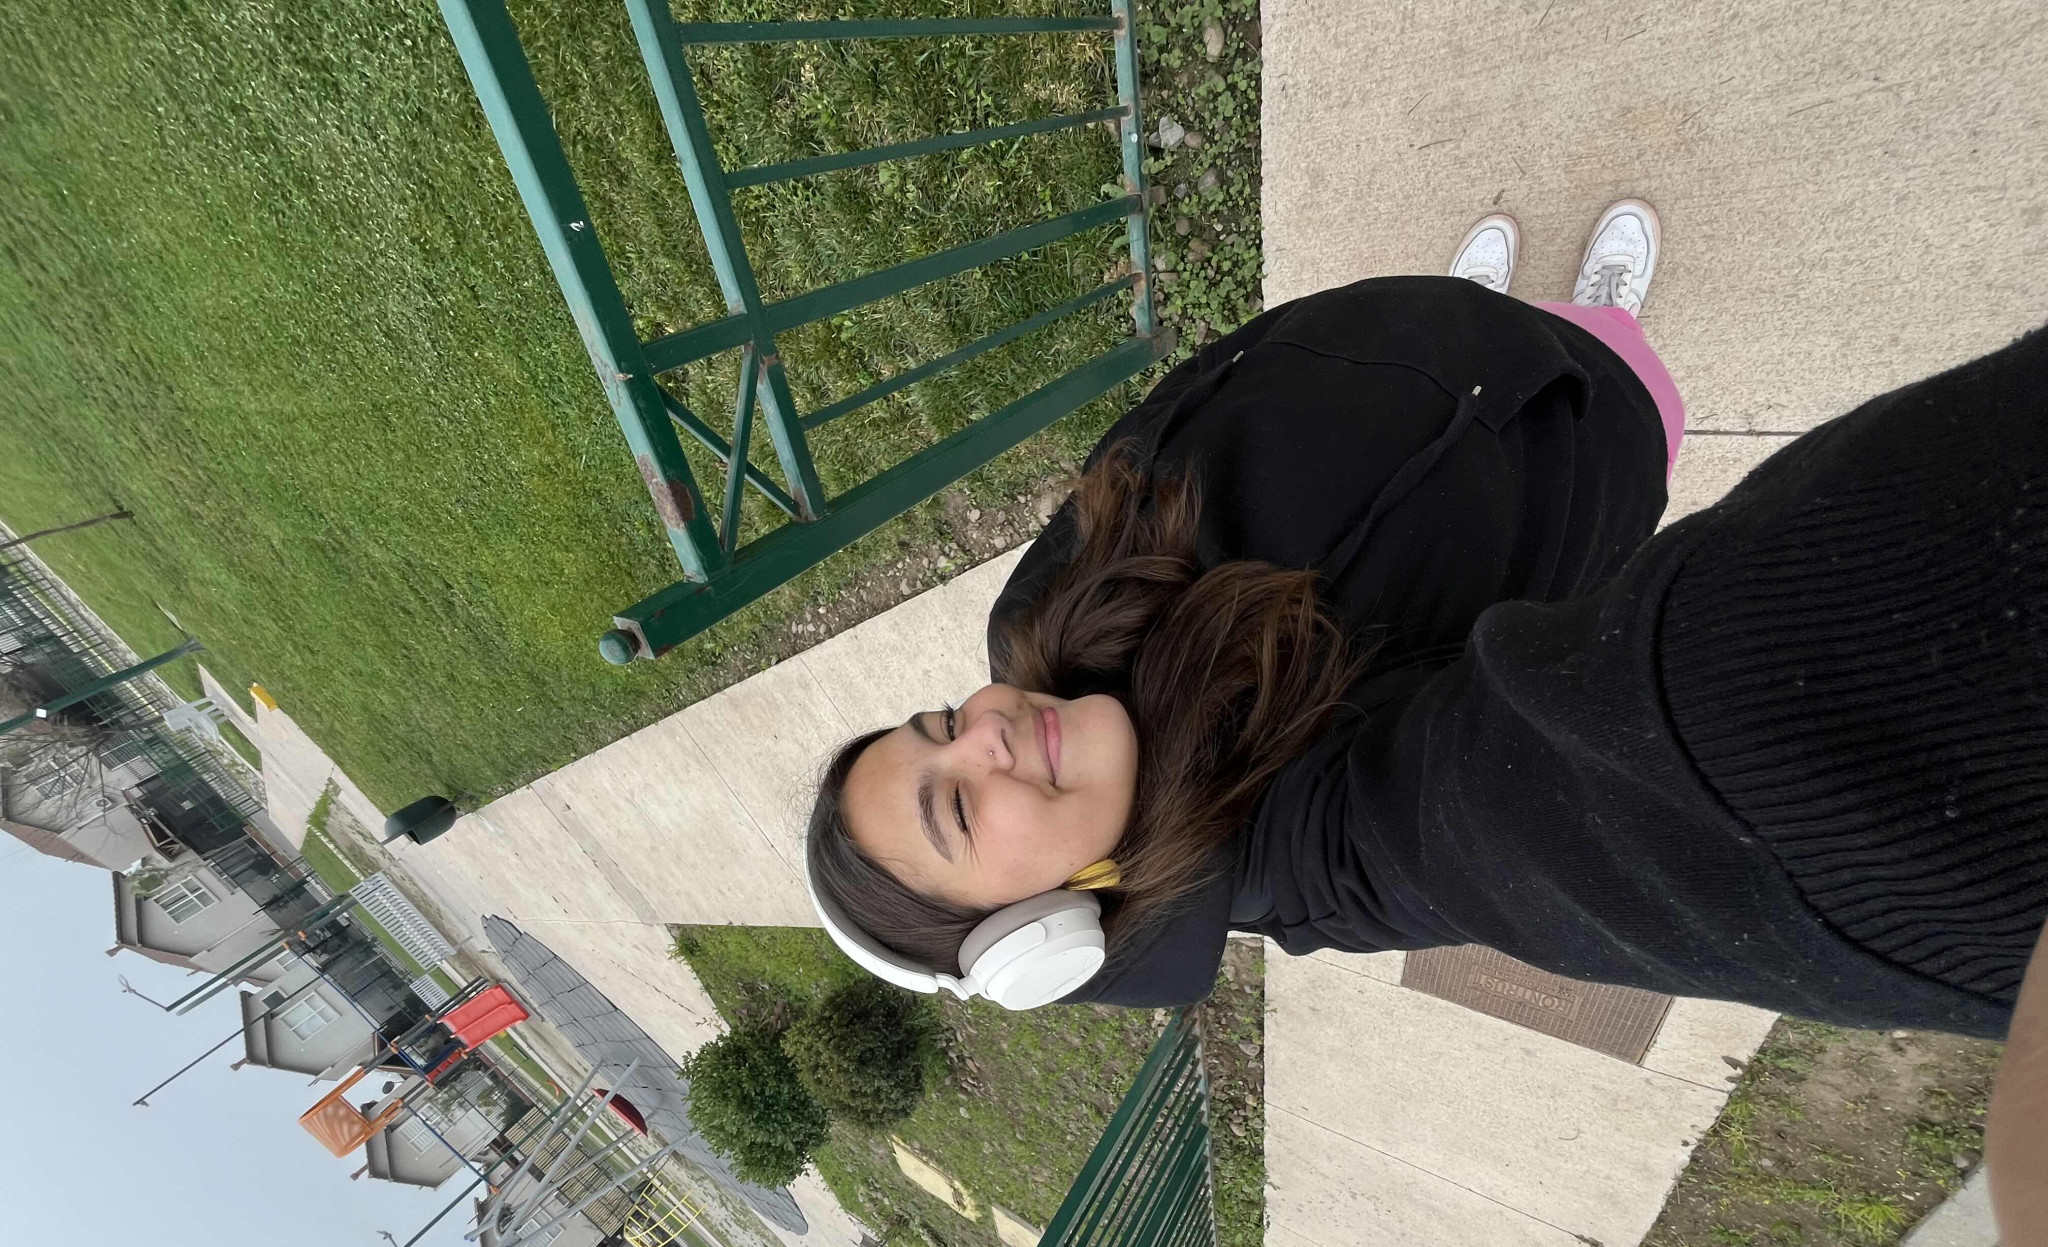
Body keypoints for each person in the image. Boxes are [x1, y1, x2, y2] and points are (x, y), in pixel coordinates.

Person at [804, 202, 2046, 1037]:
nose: (982, 730)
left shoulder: (1036, 620)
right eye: (957, 808)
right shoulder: (1308, 856)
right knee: (1615, 358)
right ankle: (1604, 319)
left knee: (1488, 319)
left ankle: (1480, 300)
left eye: (936, 727)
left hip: (1429, 341)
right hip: (1576, 427)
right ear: (1039, 929)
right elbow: (1594, 807)